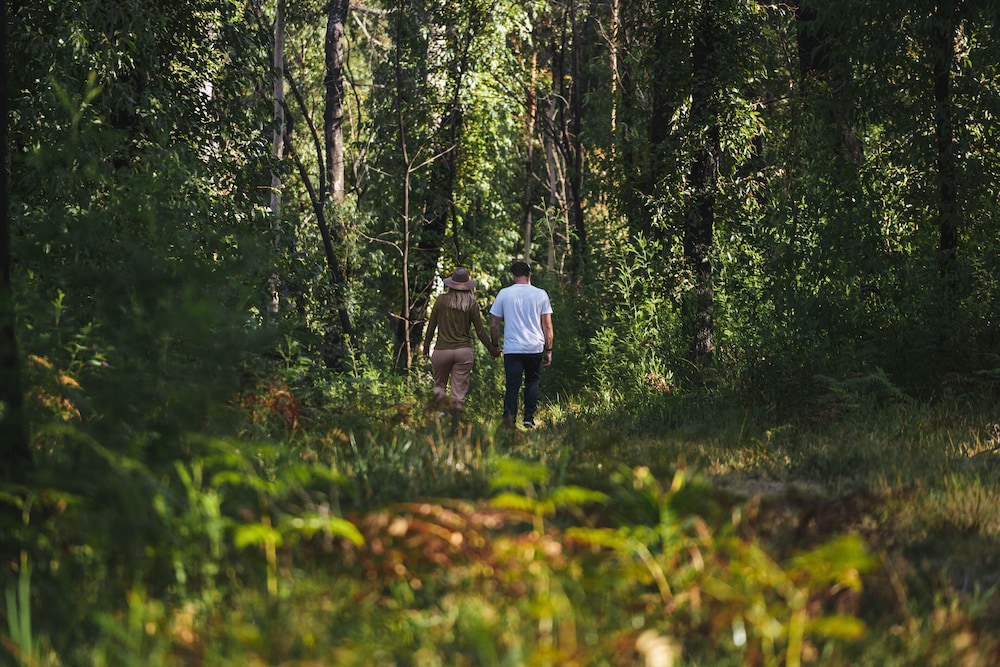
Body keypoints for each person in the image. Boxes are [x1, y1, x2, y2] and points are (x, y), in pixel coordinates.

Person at [422, 267, 500, 414]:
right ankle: (455, 419)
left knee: (439, 385)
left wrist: (426, 348)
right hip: (463, 352)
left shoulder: (441, 300)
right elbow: (480, 332)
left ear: (451, 284)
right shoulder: (471, 303)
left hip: (442, 351)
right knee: (458, 392)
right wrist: (493, 349)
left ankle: (440, 416)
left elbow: (431, 326)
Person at [489, 261, 553, 428]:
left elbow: (494, 324)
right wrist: (549, 350)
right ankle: (528, 418)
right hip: (534, 347)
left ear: (513, 275)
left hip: (512, 348)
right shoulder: (541, 294)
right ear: (529, 274)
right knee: (532, 382)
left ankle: (509, 421)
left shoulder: (504, 294)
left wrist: (494, 345)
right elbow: (547, 326)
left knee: (512, 386)